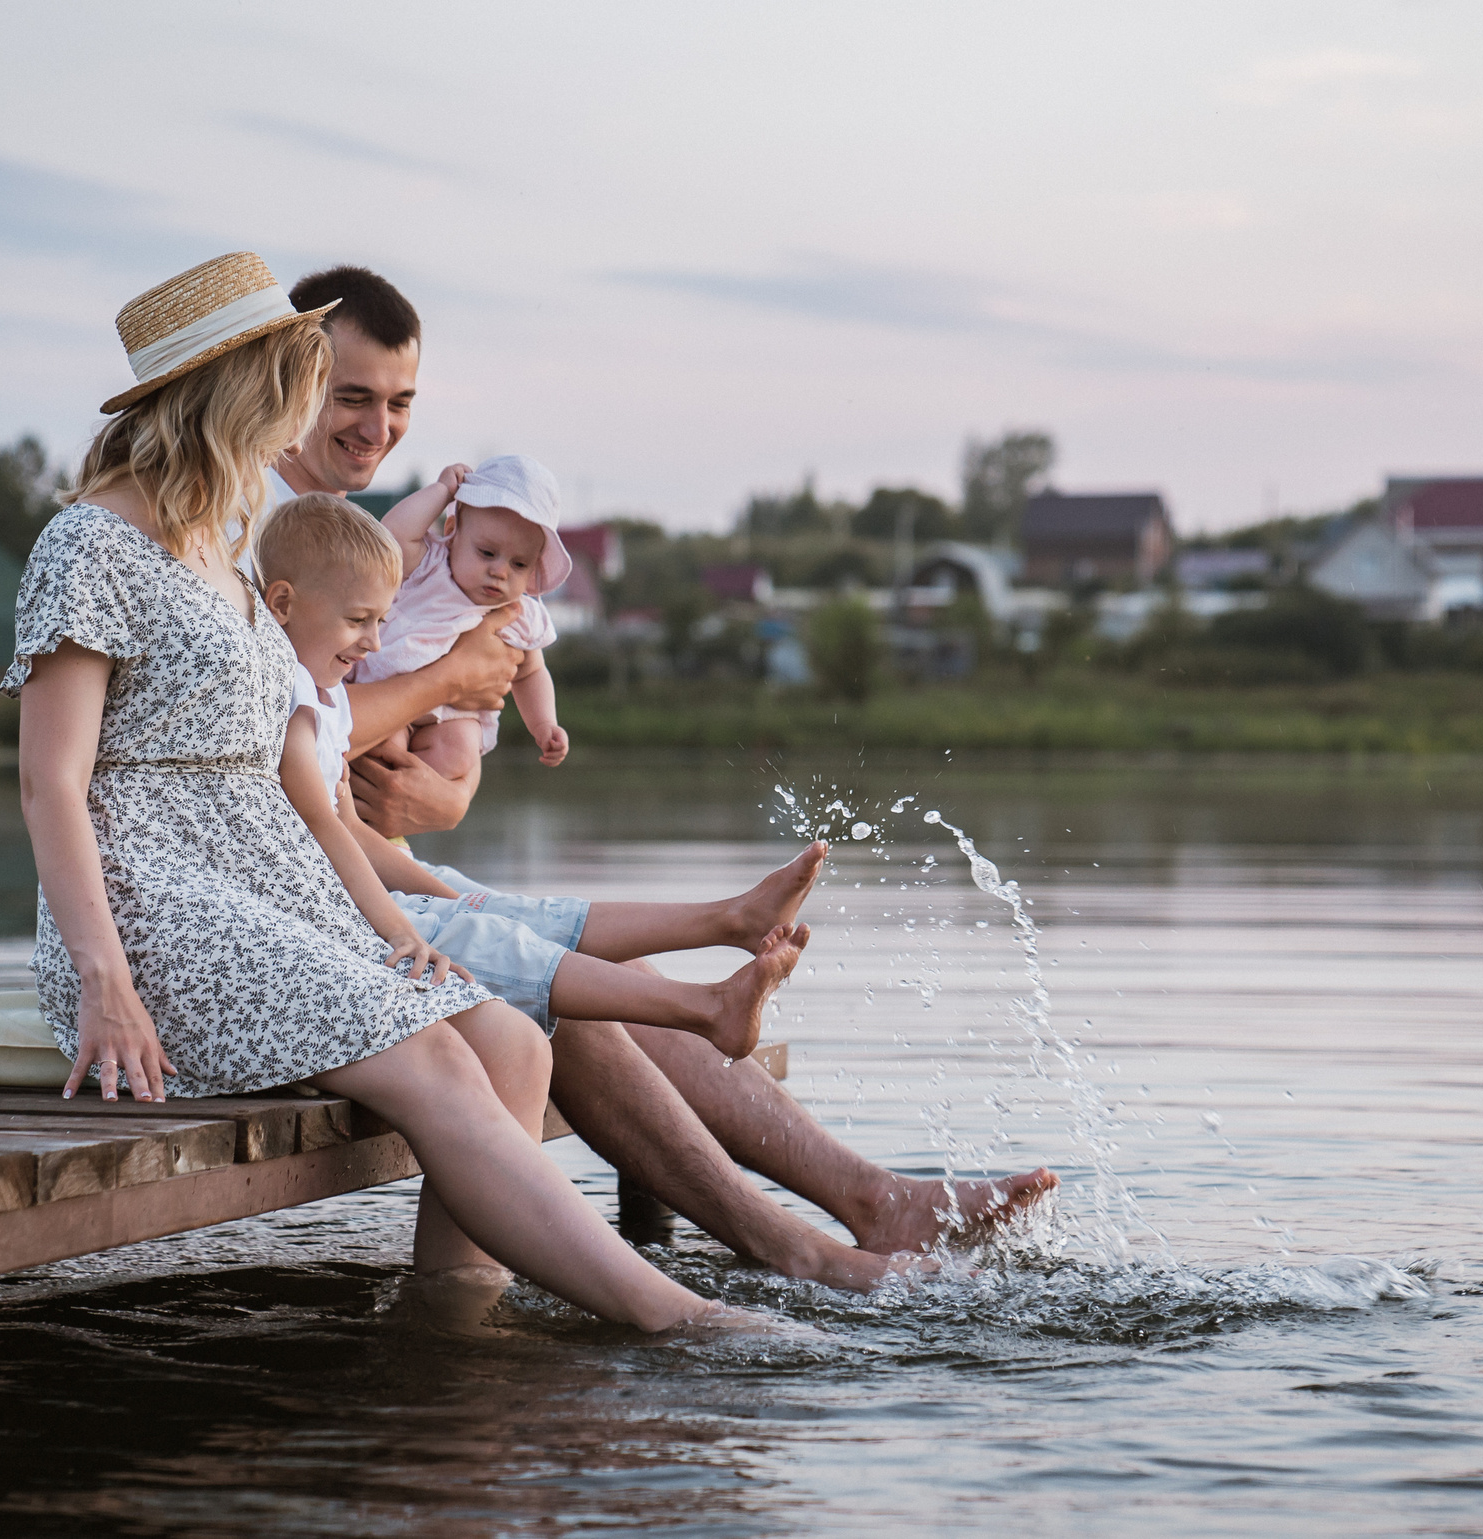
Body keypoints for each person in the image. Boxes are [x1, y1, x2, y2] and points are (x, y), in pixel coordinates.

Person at [255, 264, 1060, 1289]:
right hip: (299, 904)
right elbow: (289, 747)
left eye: (398, 402)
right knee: (552, 999)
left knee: (590, 972)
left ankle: (869, 1199)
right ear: (288, 381)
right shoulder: (266, 540)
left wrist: (444, 787)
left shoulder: (376, 544)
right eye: (352, 397)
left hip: (367, 872)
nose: (377, 427)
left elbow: (396, 765)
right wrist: (451, 678)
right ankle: (797, 1249)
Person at [11, 250, 743, 1332]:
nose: (312, 406)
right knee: (443, 1057)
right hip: (155, 909)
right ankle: (679, 1318)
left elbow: (300, 780)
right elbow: (49, 783)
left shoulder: (222, 546)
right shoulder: (89, 544)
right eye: (301, 377)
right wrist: (106, 981)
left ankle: (451, 1328)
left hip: (272, 887)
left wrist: (387, 919)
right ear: (240, 387)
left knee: (510, 1040)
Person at [256, 489, 816, 1058]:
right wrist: (405, 930)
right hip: (320, 916)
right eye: (359, 621)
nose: (375, 642)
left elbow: (347, 829)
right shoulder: (293, 707)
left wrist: (454, 898)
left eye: (379, 620)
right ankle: (706, 1002)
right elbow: (325, 832)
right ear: (282, 604)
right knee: (489, 939)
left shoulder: (325, 699)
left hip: (351, 887)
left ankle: (732, 922)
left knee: (502, 914)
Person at [357, 455, 569, 778]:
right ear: (452, 530)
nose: (499, 572)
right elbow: (393, 535)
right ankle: (361, 812)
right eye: (487, 553)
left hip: (452, 716)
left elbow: (531, 672)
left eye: (519, 564)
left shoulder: (520, 615)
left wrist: (544, 725)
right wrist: (443, 490)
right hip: (386, 696)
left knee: (460, 754)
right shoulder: (430, 567)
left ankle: (408, 802)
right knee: (386, 749)